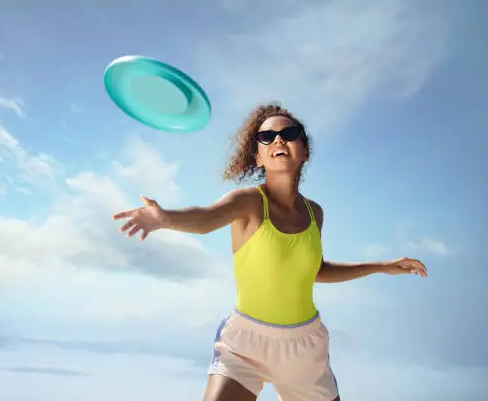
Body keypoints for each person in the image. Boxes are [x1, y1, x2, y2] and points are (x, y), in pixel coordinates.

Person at [112, 102, 428, 401]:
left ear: (304, 152)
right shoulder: (248, 202)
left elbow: (315, 271)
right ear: (259, 157)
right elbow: (205, 219)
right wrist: (165, 218)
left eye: (290, 134)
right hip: (245, 344)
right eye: (266, 136)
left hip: (304, 348)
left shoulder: (314, 213)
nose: (279, 139)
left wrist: (380, 266)